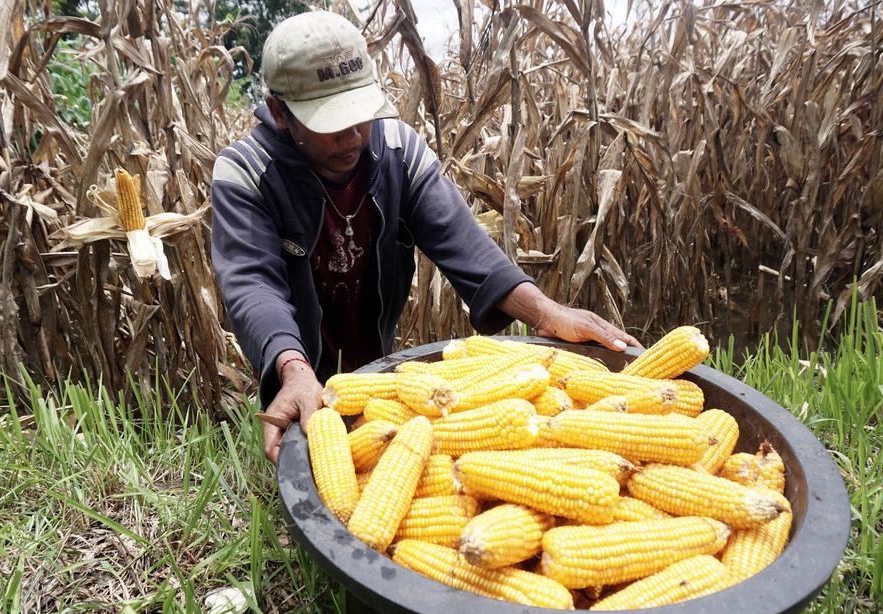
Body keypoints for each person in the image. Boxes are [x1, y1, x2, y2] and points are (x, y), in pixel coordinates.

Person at [210, 11, 641, 463]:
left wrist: (548, 313)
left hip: (375, 376)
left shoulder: (397, 151)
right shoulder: (246, 173)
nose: (353, 135)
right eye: (330, 123)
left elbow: (466, 246)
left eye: (360, 114)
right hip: (297, 370)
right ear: (279, 112)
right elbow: (253, 286)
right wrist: (293, 370)